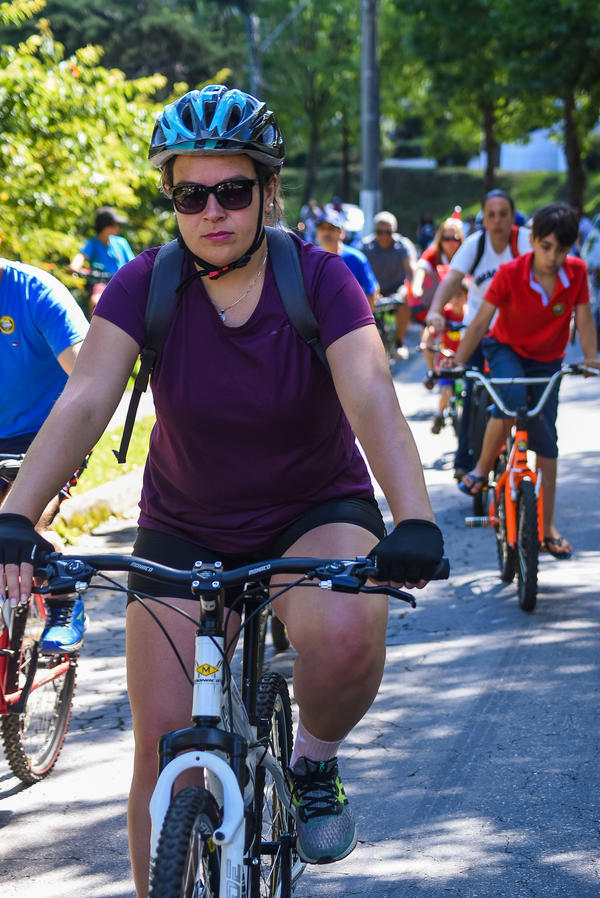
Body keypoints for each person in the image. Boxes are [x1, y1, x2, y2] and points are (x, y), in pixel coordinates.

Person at [0, 85, 444, 896]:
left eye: (233, 191)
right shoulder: (145, 284)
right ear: (171, 198)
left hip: (313, 513)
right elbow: (87, 397)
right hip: (183, 523)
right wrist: (15, 515)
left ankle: (313, 760)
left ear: (268, 193)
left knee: (347, 634)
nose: (213, 211)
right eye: (190, 194)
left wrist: (413, 518)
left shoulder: (321, 280)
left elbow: (372, 395)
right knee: (164, 748)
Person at [445, 203, 600, 556]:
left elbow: (585, 319)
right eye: (545, 247)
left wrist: (591, 357)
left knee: (547, 440)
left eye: (561, 250)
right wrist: (458, 360)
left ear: (571, 248)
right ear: (532, 241)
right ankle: (482, 468)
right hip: (505, 348)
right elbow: (481, 321)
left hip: (548, 359)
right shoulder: (511, 272)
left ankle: (547, 528)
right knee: (511, 402)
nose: (553, 257)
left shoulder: (575, 273)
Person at [0, 257, 89, 650]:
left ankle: (64, 599)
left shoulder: (35, 291)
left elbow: (89, 376)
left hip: (44, 437)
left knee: (18, 521)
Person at [426, 189, 531, 480]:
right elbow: (451, 281)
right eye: (491, 215)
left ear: (513, 217)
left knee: (522, 391)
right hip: (479, 330)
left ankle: (518, 451)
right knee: (473, 389)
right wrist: (436, 309)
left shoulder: (524, 241)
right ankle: (464, 460)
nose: (497, 221)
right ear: (483, 218)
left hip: (515, 333)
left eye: (503, 214)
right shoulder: (475, 244)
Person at [359, 211, 418, 359]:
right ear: (375, 232)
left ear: (394, 231)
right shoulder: (366, 246)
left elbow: (411, 268)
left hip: (396, 287)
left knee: (405, 298)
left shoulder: (402, 245)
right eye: (380, 232)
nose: (384, 236)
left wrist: (415, 286)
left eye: (388, 232)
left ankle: (399, 342)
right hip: (374, 288)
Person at [412, 216, 464, 375]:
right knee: (427, 334)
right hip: (440, 304)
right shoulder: (433, 253)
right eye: (446, 238)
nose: (450, 243)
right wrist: (416, 287)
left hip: (463, 304)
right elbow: (421, 268)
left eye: (454, 238)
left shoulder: (467, 252)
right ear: (440, 239)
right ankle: (431, 371)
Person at [69, 206, 135, 316]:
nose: (118, 227)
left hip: (123, 283)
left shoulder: (121, 243)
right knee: (96, 301)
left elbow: (134, 265)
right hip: (102, 283)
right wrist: (75, 266)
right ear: (106, 226)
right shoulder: (93, 244)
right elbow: (79, 258)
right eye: (115, 224)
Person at [315, 208, 379, 305]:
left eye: (331, 228)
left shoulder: (356, 258)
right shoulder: (311, 259)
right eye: (322, 228)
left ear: (342, 233)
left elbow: (372, 290)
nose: (326, 233)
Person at [428, 279, 468, 434]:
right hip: (446, 361)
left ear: (466, 295)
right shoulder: (445, 313)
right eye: (452, 295)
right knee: (446, 392)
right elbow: (431, 331)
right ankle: (439, 414)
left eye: (459, 295)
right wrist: (428, 342)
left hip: (463, 362)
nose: (456, 299)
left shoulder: (470, 315)